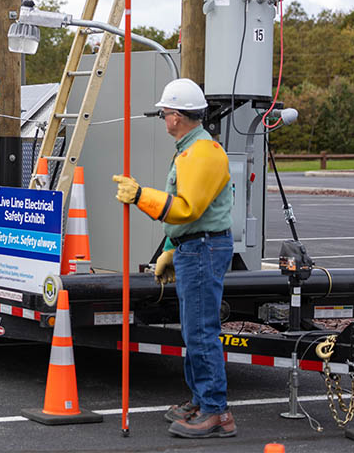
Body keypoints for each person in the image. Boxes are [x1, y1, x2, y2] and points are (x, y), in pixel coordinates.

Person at [111, 78, 236, 438]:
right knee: (194, 329)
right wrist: (170, 248)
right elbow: (187, 215)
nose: (163, 118)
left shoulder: (201, 153)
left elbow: (186, 209)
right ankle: (202, 400)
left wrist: (140, 196)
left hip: (203, 248)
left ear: (177, 117)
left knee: (201, 331)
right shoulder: (191, 150)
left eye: (164, 113)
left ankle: (216, 411)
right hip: (195, 246)